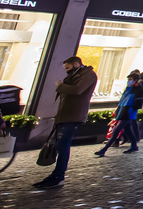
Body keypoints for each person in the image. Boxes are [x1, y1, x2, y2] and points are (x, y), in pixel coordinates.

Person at [33, 56, 97, 189]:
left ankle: (58, 176)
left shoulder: (88, 75)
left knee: (63, 145)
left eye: (67, 68)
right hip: (65, 115)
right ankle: (56, 175)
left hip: (73, 115)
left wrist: (61, 86)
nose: (66, 71)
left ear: (76, 64)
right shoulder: (76, 74)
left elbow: (78, 90)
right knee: (61, 144)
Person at [94, 70, 143, 156]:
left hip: (128, 112)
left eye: (131, 79)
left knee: (117, 130)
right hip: (123, 111)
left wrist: (131, 110)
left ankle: (104, 149)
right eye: (128, 79)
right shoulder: (128, 88)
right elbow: (122, 100)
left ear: (136, 80)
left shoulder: (138, 89)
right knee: (128, 130)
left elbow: (138, 102)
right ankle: (134, 146)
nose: (129, 81)